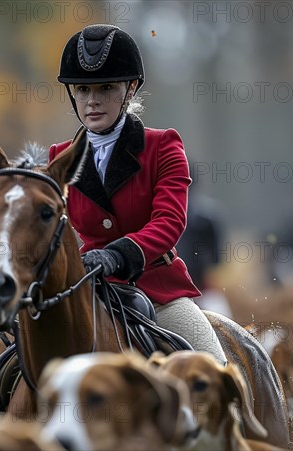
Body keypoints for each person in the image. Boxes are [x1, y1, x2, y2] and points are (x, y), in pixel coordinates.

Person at [49, 24, 226, 365]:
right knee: (10, 374)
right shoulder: (58, 157)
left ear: (130, 88)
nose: (93, 100)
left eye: (106, 88)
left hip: (156, 291)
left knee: (212, 370)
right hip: (85, 291)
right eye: (83, 89)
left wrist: (119, 255)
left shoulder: (162, 146)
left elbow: (170, 221)